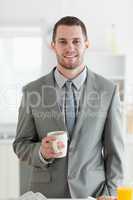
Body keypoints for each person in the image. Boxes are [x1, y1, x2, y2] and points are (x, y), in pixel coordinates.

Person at [13, 16, 124, 199]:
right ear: (53, 45)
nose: (70, 47)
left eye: (76, 41)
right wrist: (41, 151)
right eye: (62, 41)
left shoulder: (108, 90)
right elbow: (20, 144)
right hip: (46, 194)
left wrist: (111, 191)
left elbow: (115, 152)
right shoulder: (32, 91)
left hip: (93, 194)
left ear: (86, 44)